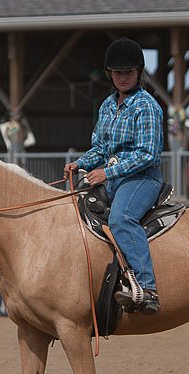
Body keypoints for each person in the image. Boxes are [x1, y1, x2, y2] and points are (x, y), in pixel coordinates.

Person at [63, 37, 164, 314]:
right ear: (110, 73)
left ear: (138, 72)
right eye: (117, 72)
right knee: (71, 210)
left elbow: (148, 155)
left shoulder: (147, 106)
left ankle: (148, 288)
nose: (122, 77)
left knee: (121, 218)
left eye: (128, 72)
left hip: (142, 178)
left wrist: (106, 172)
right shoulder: (107, 106)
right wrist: (80, 164)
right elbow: (100, 147)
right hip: (112, 178)